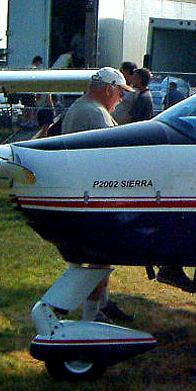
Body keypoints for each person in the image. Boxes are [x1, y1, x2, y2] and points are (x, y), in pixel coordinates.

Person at [60, 67, 135, 322]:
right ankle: (91, 317)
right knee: (100, 258)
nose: (121, 99)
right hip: (94, 198)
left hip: (79, 194)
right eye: (120, 93)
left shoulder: (78, 108)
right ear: (108, 89)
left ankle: (101, 304)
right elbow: (113, 158)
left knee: (89, 258)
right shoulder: (96, 115)